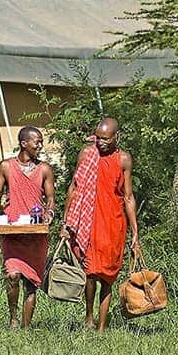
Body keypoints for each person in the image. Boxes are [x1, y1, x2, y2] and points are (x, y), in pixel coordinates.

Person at [61, 117, 139, 332]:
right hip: (88, 220)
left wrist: (135, 233)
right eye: (98, 138)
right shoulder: (87, 154)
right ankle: (88, 317)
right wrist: (66, 222)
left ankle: (102, 327)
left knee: (107, 276)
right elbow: (74, 187)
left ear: (117, 137)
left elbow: (129, 197)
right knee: (90, 272)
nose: (101, 142)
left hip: (113, 224)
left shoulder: (123, 159)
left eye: (106, 138)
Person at [0, 126, 55, 329]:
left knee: (31, 282)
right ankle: (13, 318)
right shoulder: (6, 167)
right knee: (13, 275)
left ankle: (26, 328)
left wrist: (49, 213)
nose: (41, 146)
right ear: (24, 143)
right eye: (37, 142)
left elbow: (50, 199)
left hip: (35, 233)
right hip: (13, 230)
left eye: (41, 142)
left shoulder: (44, 169)